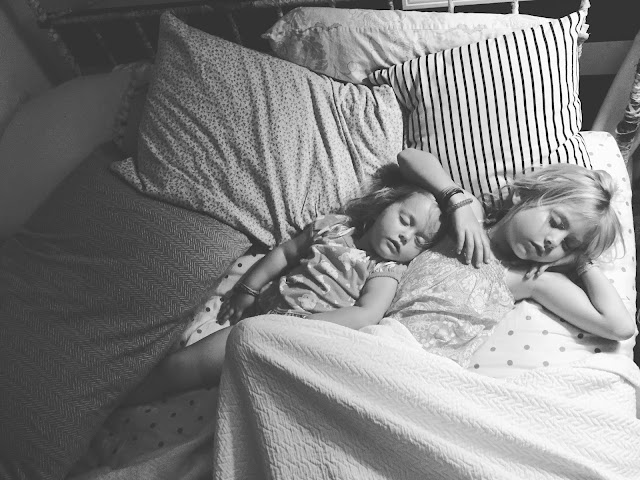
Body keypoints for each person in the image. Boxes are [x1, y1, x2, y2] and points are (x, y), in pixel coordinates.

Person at [124, 165, 446, 404]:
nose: (405, 236)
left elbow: (367, 313)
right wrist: (249, 288)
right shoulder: (335, 228)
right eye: (405, 221)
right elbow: (285, 253)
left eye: (419, 240)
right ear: (383, 205)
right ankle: (119, 398)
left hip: (300, 343)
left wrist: (304, 326)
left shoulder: (386, 269)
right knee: (184, 367)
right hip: (261, 324)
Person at [396, 148, 635, 344]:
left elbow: (620, 327)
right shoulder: (470, 217)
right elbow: (407, 157)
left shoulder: (526, 280)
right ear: (523, 195)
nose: (553, 241)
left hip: (427, 369)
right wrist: (455, 199)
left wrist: (581, 261)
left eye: (568, 244)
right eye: (556, 222)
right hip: (386, 336)